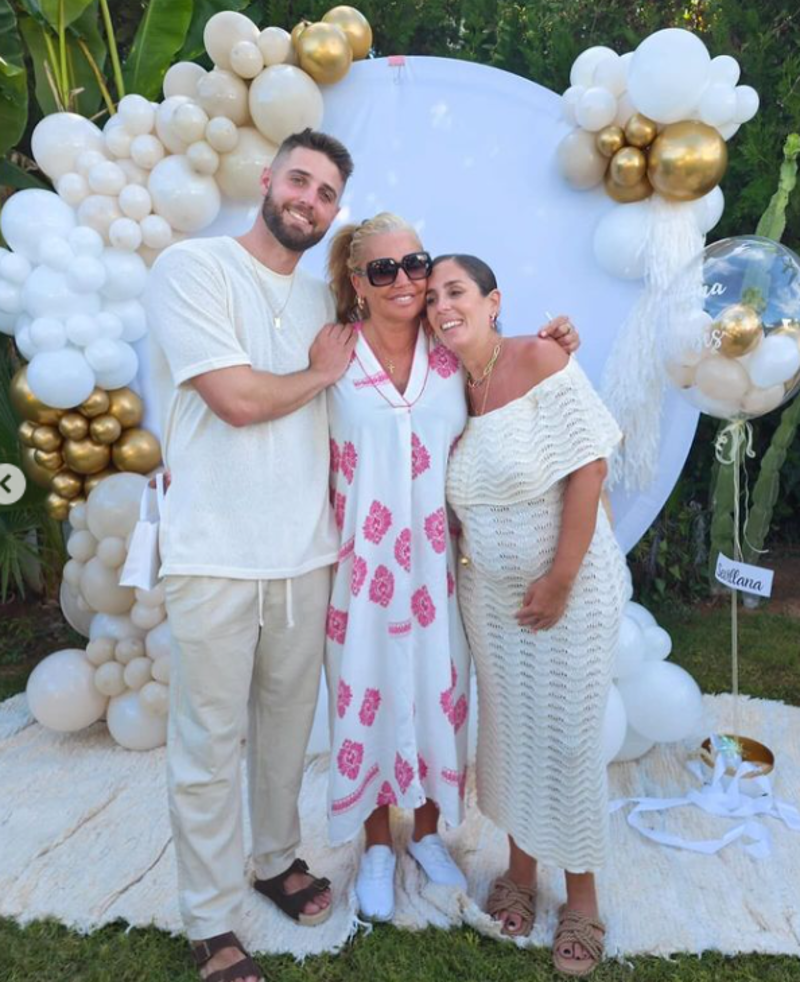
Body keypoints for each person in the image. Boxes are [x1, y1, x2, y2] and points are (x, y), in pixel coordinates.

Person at [323, 216, 580, 922]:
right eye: (384, 270)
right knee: (366, 693)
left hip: (440, 568)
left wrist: (549, 345)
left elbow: (505, 392)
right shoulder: (331, 357)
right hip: (361, 568)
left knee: (441, 696)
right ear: (357, 285)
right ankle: (378, 845)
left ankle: (431, 832)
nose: (405, 280)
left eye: (415, 264)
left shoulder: (451, 356)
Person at [146, 128, 357, 982]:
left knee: (286, 733)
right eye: (299, 181)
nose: (308, 200)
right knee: (208, 742)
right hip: (214, 554)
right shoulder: (192, 269)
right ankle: (208, 920)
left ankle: (274, 862)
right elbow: (233, 400)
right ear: (267, 180)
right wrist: (316, 375)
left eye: (326, 194)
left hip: (305, 554)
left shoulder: (323, 304)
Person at [425, 254, 630, 977]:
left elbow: (590, 467)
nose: (442, 307)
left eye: (456, 292)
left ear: (492, 301)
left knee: (569, 740)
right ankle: (520, 874)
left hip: (567, 590)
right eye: (432, 299)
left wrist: (561, 578)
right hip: (492, 600)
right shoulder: (445, 387)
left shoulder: (541, 357)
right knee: (510, 735)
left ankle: (583, 901)